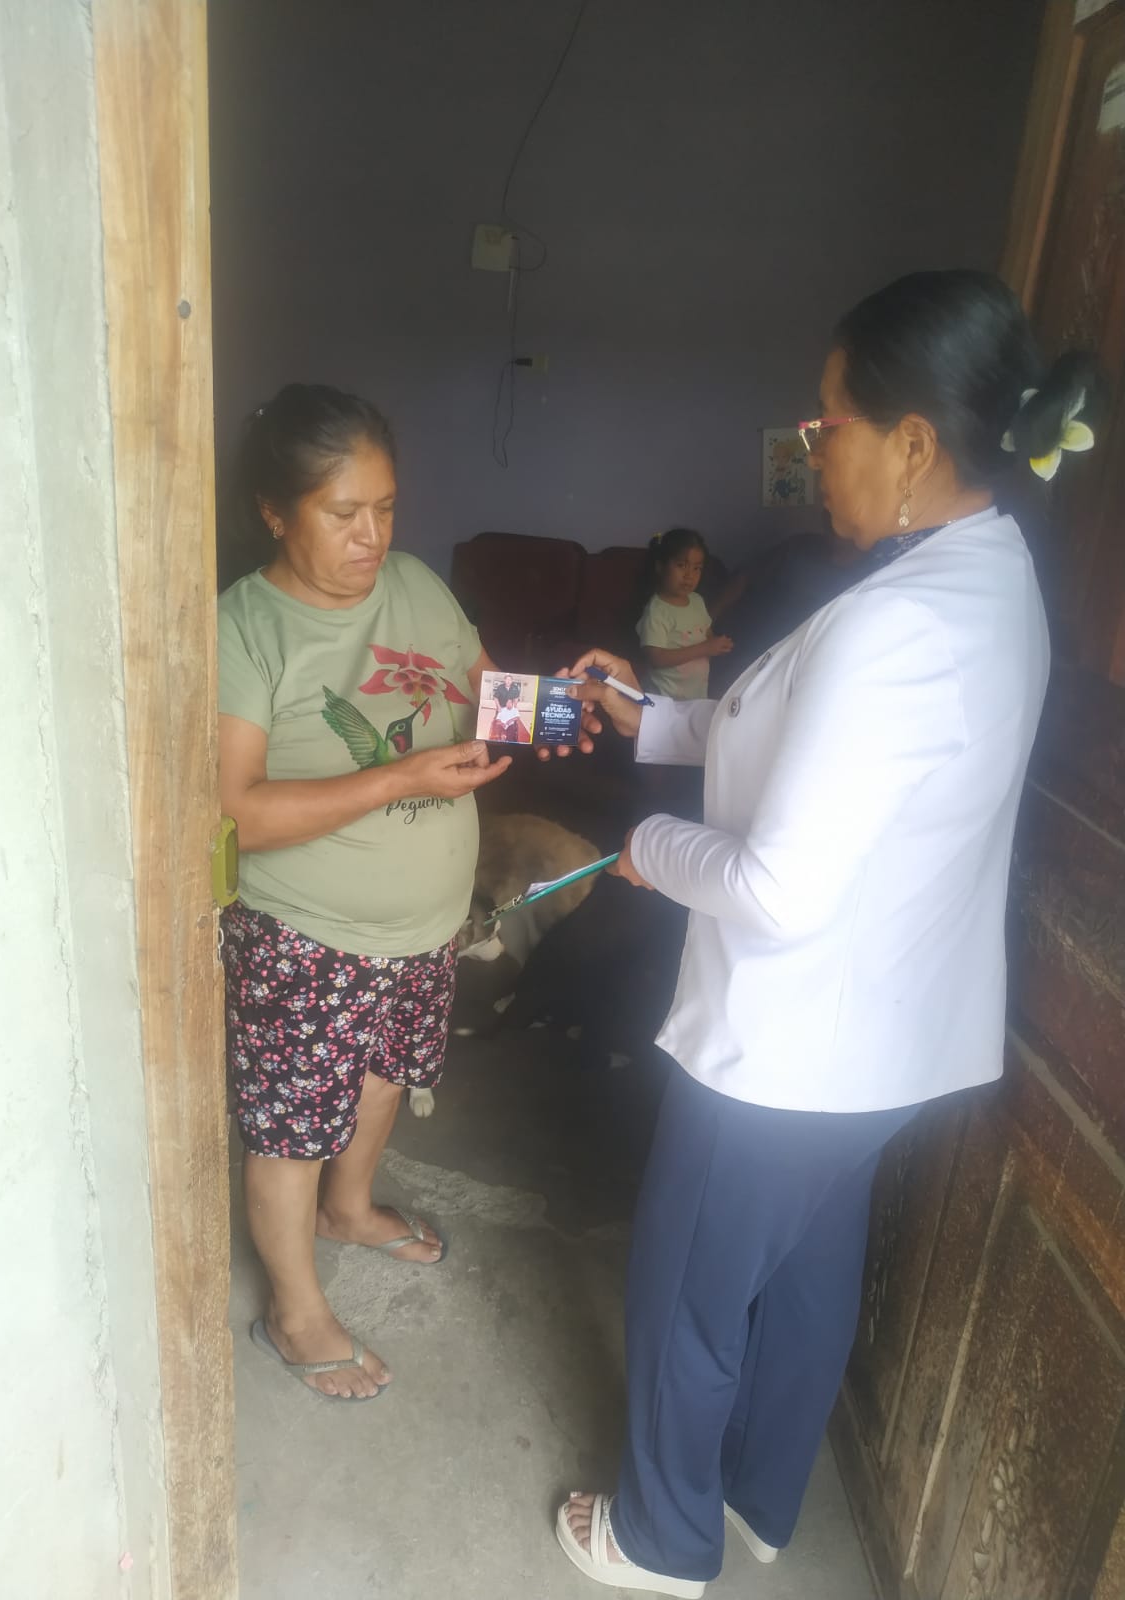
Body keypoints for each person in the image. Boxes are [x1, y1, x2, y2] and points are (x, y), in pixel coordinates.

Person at [554, 271, 1097, 1595]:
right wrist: (652, 720)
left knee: (687, 1285)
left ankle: (659, 1538)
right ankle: (758, 1495)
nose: (813, 454)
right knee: (803, 1273)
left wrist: (643, 846)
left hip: (786, 1043)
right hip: (877, 1044)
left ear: (911, 444)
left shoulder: (897, 622)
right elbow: (816, 745)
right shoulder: (986, 581)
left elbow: (780, 886)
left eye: (828, 424)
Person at [217, 383, 513, 1401]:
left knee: (386, 1075)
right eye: (343, 513)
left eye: (386, 508)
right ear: (274, 511)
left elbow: (486, 687)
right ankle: (295, 1313)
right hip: (310, 935)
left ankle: (349, 1210)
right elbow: (237, 811)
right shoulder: (245, 628)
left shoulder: (418, 583)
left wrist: (534, 718)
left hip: (425, 925)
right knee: (292, 1124)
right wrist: (398, 778)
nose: (372, 537)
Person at [636, 528, 734, 700]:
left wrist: (717, 644)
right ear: (660, 566)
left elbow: (706, 632)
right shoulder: (657, 610)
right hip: (664, 699)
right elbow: (656, 658)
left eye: (697, 568)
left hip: (695, 697)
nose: (689, 575)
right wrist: (705, 648)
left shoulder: (697, 601)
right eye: (681, 565)